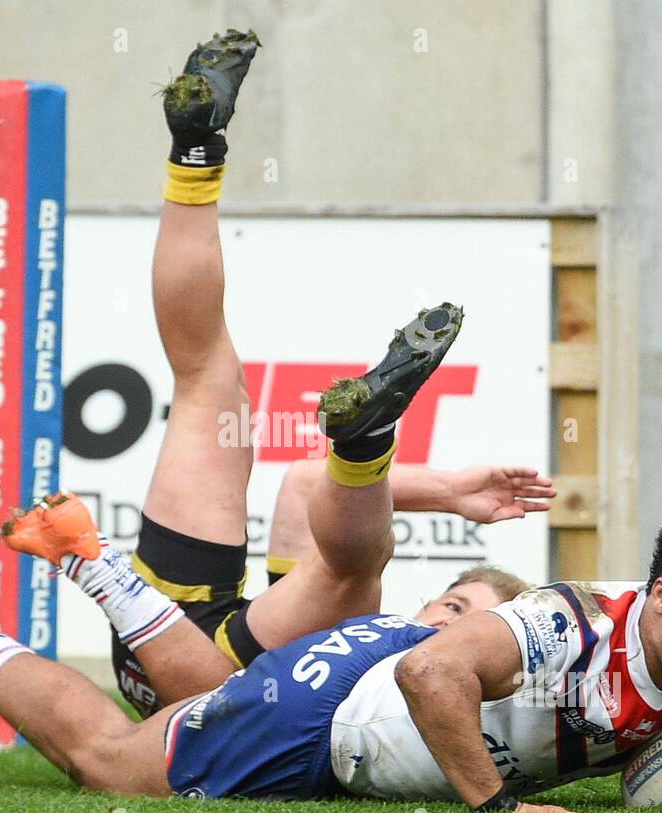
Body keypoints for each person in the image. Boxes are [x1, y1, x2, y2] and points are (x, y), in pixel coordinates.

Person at [108, 28, 552, 715]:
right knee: (207, 379)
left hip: (210, 683)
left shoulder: (464, 704)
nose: (444, 625)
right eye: (453, 605)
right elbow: (306, 481)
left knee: (353, 569)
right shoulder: (377, 641)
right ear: (429, 598)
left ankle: (368, 440)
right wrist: (451, 490)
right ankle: (196, 150)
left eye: (468, 625)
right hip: (195, 641)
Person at [0, 498, 662, 813]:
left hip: (352, 687)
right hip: (334, 713)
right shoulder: (571, 622)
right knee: (111, 768)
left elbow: (623, 730)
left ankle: (92, 560)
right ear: (657, 594)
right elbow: (429, 673)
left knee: (215, 692)